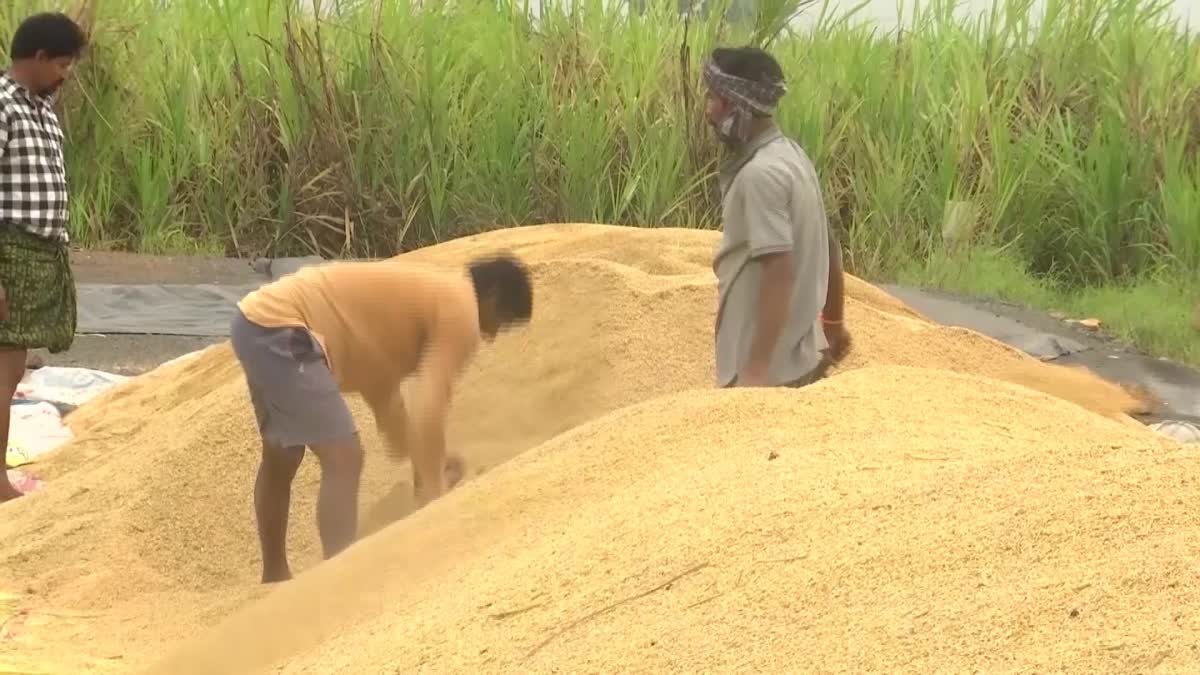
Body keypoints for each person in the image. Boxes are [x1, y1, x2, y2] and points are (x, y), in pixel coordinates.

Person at [230, 254, 533, 583]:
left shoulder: (417, 308)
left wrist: (431, 462)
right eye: (500, 323)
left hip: (255, 323)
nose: (489, 337)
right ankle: (338, 582)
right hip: (285, 327)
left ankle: (274, 575)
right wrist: (434, 496)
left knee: (283, 454)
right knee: (344, 458)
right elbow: (429, 407)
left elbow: (391, 410)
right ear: (491, 297)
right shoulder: (462, 306)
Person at [703, 45, 851, 389]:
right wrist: (833, 324)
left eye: (713, 98)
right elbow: (830, 246)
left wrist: (755, 373)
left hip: (769, 376)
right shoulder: (792, 157)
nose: (708, 112)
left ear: (736, 106)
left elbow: (778, 271)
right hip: (799, 361)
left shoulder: (760, 176)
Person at [0, 13, 88, 502]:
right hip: (9, 253)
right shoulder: (4, 106)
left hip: (37, 254)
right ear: (36, 58)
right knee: (3, 370)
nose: (65, 74)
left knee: (10, 370)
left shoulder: (41, 108)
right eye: (61, 63)